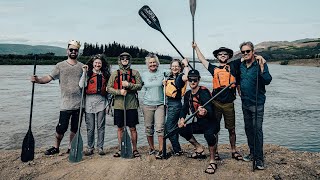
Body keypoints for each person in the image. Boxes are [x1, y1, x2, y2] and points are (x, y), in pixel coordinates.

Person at [31, 40, 83, 155]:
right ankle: (56, 147)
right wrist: (38, 80)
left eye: (75, 50)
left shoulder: (81, 67)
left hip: (79, 104)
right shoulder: (60, 66)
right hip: (65, 104)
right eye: (71, 50)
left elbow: (86, 83)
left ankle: (71, 147)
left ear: (78, 52)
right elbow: (49, 78)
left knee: (75, 129)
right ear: (67, 51)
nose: (73, 52)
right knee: (60, 129)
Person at [192, 42, 243, 161]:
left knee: (232, 129)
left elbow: (246, 55)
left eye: (225, 54)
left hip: (229, 104)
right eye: (220, 54)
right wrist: (196, 48)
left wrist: (259, 57)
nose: (223, 55)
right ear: (217, 57)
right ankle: (215, 152)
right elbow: (202, 59)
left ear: (229, 56)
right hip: (216, 103)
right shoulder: (213, 68)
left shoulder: (234, 65)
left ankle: (233, 150)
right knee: (215, 129)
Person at [178, 69, 220, 174]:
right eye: (190, 80)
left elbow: (210, 109)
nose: (192, 82)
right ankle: (199, 147)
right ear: (188, 80)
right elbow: (184, 109)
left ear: (199, 80)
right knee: (182, 129)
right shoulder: (188, 94)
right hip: (200, 123)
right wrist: (182, 118)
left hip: (212, 123)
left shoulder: (204, 92)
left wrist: (204, 111)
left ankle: (212, 161)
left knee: (209, 135)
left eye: (195, 80)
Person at [238, 41, 272, 170]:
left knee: (257, 131)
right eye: (243, 52)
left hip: (257, 104)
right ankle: (252, 153)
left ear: (253, 52)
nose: (246, 53)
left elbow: (268, 80)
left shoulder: (260, 63)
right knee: (249, 130)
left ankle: (259, 159)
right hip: (245, 103)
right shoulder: (241, 65)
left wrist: (262, 68)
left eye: (248, 51)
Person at [107, 52, 142, 158]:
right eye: (123, 58)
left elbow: (139, 86)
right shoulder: (115, 74)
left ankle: (135, 149)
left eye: (127, 58)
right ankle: (121, 148)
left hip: (131, 105)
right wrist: (119, 92)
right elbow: (108, 88)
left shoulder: (135, 73)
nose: (125, 60)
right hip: (119, 105)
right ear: (120, 60)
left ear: (129, 60)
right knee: (120, 128)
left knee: (132, 128)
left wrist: (129, 85)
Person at [79, 54, 111, 156]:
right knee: (90, 127)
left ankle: (100, 147)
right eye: (96, 63)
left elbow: (108, 91)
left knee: (100, 126)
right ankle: (90, 147)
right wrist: (84, 72)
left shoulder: (105, 75)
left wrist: (109, 104)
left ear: (102, 64)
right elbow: (81, 85)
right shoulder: (88, 74)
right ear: (93, 64)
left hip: (101, 102)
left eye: (99, 63)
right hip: (89, 102)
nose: (97, 64)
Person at [140, 53, 166, 159]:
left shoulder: (163, 73)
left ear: (157, 63)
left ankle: (161, 150)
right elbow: (137, 85)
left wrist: (167, 81)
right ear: (147, 64)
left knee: (160, 128)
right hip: (147, 104)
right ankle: (151, 148)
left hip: (160, 104)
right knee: (148, 128)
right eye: (150, 63)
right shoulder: (144, 75)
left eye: (154, 62)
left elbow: (176, 72)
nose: (152, 64)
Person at [164, 58, 189, 156]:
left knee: (169, 127)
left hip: (175, 104)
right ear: (170, 67)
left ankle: (177, 149)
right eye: (173, 66)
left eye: (177, 66)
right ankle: (177, 149)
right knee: (173, 127)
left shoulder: (180, 77)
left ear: (180, 68)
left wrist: (186, 65)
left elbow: (187, 77)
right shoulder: (170, 77)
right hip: (170, 103)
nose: (174, 68)